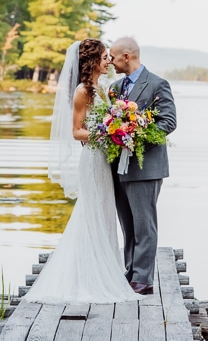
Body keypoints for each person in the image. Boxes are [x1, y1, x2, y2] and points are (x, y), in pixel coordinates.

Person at [24, 38, 136, 303]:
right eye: (105, 57)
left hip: (104, 161)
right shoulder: (83, 91)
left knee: (104, 213)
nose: (109, 61)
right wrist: (107, 133)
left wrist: (118, 129)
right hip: (92, 160)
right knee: (90, 213)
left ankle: (105, 269)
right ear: (92, 61)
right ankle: (87, 276)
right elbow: (76, 132)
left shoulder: (103, 89)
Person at [109, 36, 177, 296]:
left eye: (113, 57)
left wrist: (134, 138)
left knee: (144, 225)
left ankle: (143, 280)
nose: (111, 62)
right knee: (127, 224)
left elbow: (168, 122)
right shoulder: (115, 88)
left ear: (127, 56)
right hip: (118, 168)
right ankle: (130, 272)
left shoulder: (158, 84)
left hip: (145, 167)